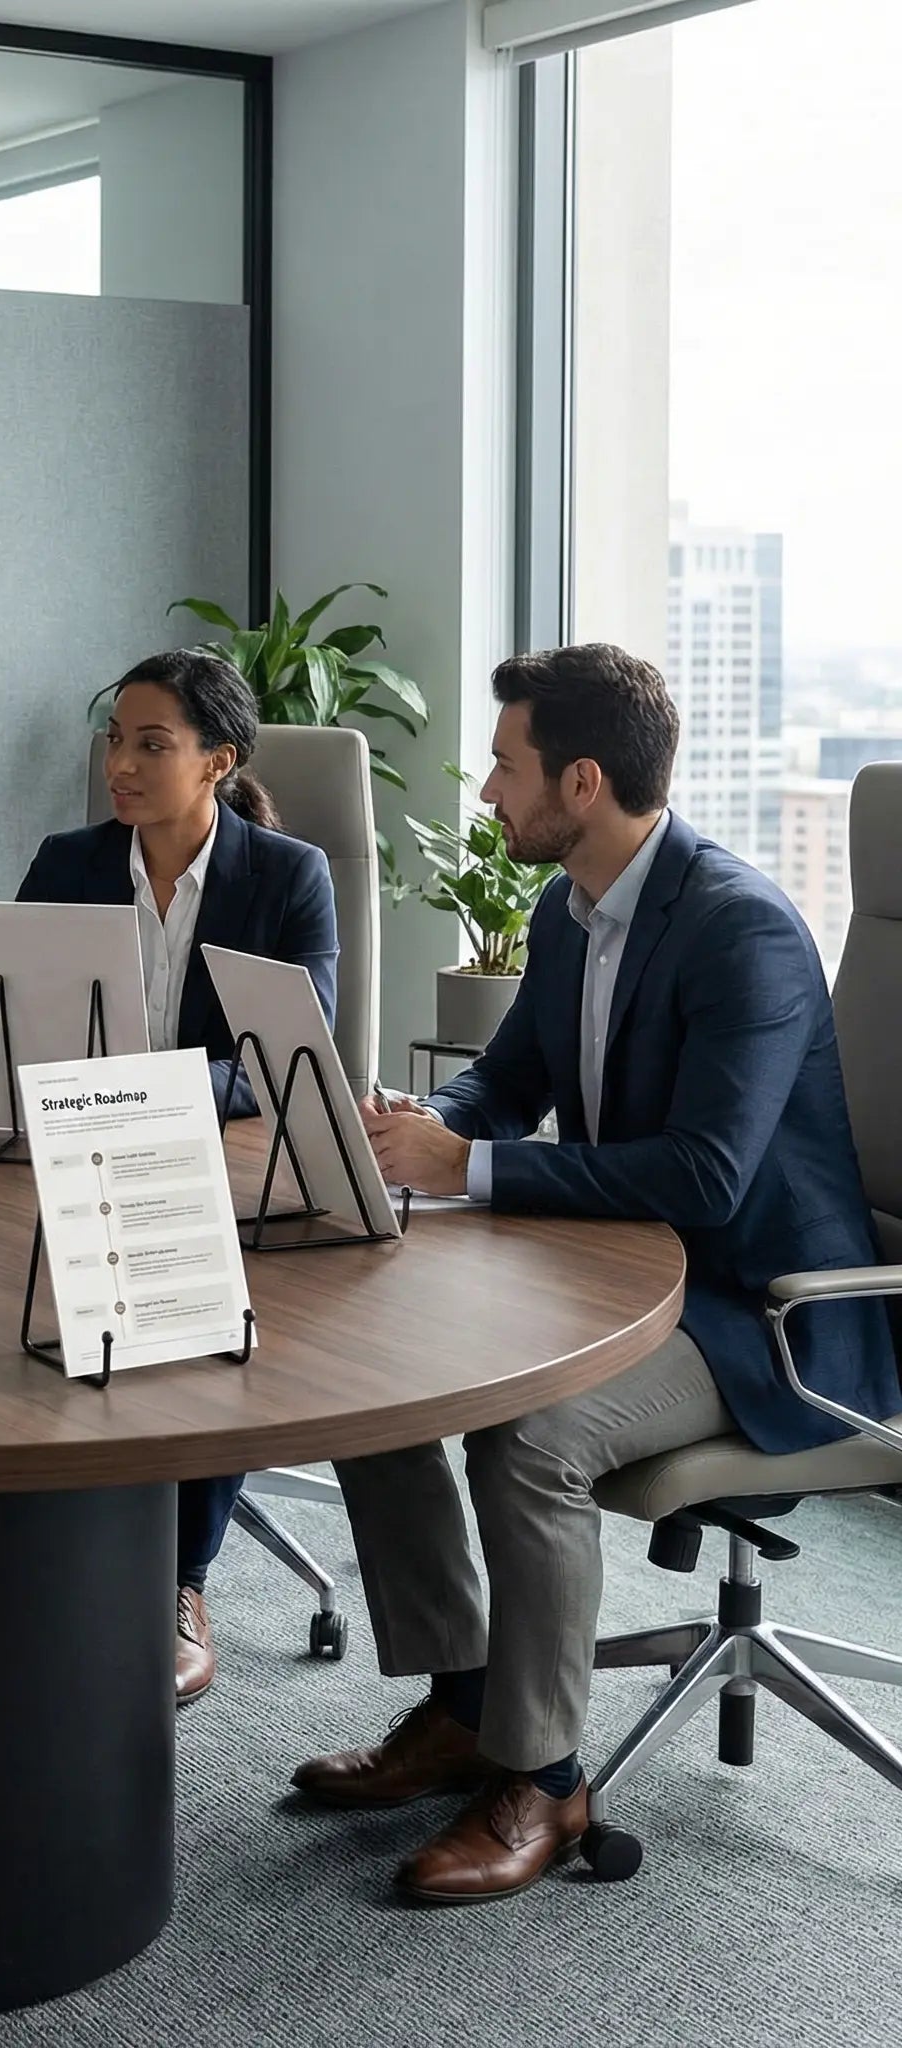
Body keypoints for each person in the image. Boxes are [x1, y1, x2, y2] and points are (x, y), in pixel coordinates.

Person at [302, 642, 902, 1906]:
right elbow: (506, 1082)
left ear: (580, 782)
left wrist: (463, 1170)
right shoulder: (567, 909)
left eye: (503, 767)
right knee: (377, 1376)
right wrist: (422, 1119)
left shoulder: (738, 931)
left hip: (763, 1312)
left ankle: (546, 1776)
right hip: (619, 1272)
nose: (483, 794)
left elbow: (701, 1179)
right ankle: (465, 1700)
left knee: (527, 1432)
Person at [0, 648, 339, 1707]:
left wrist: (144, 1085)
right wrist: (31, 1050)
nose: (118, 764)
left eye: (150, 743)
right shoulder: (69, 862)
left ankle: (179, 1578)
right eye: (115, 739)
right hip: (79, 1154)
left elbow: (288, 1056)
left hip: (217, 1171)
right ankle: (31, 1539)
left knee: (200, 1290)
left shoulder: (286, 876)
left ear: (216, 761)